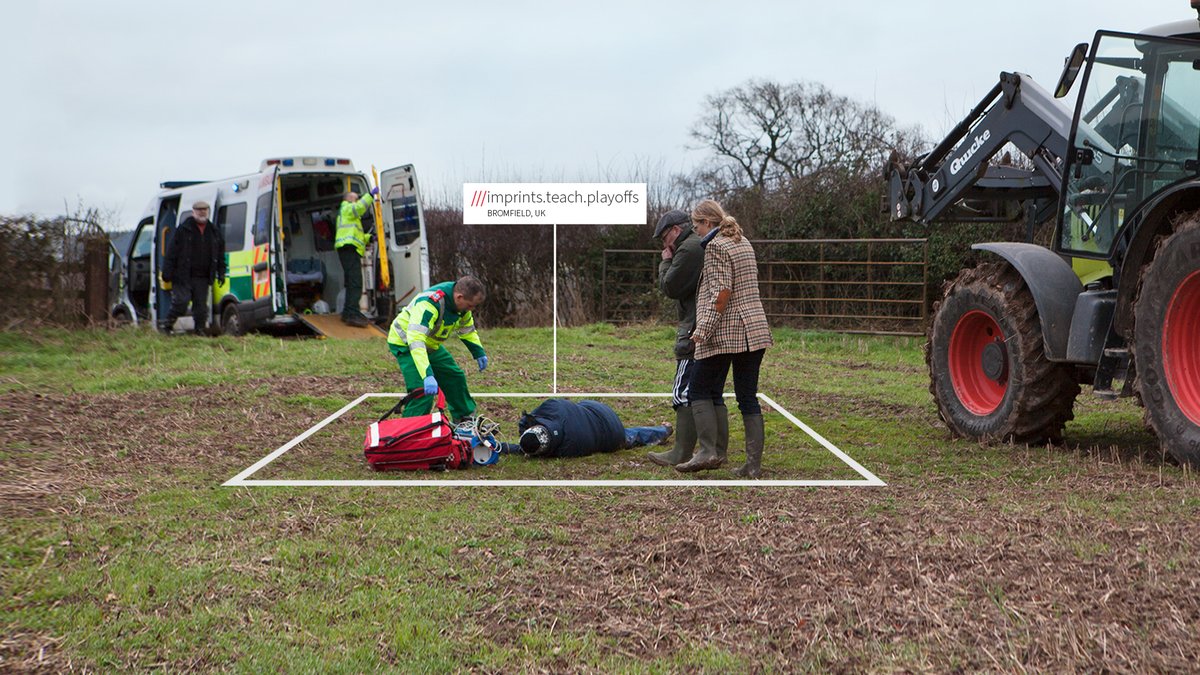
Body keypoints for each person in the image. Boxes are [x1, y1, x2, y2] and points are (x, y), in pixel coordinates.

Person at [676, 199, 774, 477]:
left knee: (697, 389)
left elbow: (721, 293)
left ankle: (709, 452)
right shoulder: (742, 241)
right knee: (747, 397)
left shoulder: (717, 246)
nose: (695, 231)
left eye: (696, 226)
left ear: (707, 223)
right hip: (755, 330)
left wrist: (702, 331)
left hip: (729, 331)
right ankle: (752, 466)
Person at [647, 209, 730, 468]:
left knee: (684, 391)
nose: (664, 244)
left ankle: (681, 452)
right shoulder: (704, 245)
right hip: (713, 325)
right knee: (713, 392)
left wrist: (665, 260)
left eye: (664, 238)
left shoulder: (689, 249)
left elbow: (670, 286)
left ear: (674, 230)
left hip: (694, 327)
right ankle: (716, 450)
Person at [387, 276, 489, 422]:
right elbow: (416, 341)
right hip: (406, 343)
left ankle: (465, 421)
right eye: (470, 306)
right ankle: (409, 432)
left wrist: (478, 352)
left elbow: (466, 329)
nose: (471, 310)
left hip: (429, 344)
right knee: (421, 392)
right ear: (459, 297)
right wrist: (427, 374)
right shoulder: (429, 304)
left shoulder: (462, 307)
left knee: (455, 377)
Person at [512, 398, 672, 458]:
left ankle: (662, 431)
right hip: (594, 406)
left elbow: (535, 452)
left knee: (629, 437)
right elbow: (528, 418)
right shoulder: (551, 406)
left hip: (612, 434)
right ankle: (663, 430)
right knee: (624, 434)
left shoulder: (568, 449)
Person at [160, 199, 226, 335]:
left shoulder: (214, 232)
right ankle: (167, 325)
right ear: (193, 212)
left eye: (205, 210)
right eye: (199, 210)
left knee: (201, 307)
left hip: (203, 276)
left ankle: (200, 330)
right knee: (181, 302)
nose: (202, 213)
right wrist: (167, 273)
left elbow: (219, 255)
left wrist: (221, 272)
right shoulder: (183, 230)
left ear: (208, 212)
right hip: (183, 275)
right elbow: (171, 253)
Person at [335, 187, 378, 327]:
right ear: (348, 199)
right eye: (355, 198)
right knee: (355, 282)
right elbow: (359, 208)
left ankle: (349, 312)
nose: (358, 201)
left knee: (351, 282)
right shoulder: (347, 208)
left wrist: (369, 237)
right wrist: (370, 195)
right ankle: (351, 314)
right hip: (348, 249)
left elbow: (356, 235)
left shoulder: (348, 215)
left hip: (348, 249)